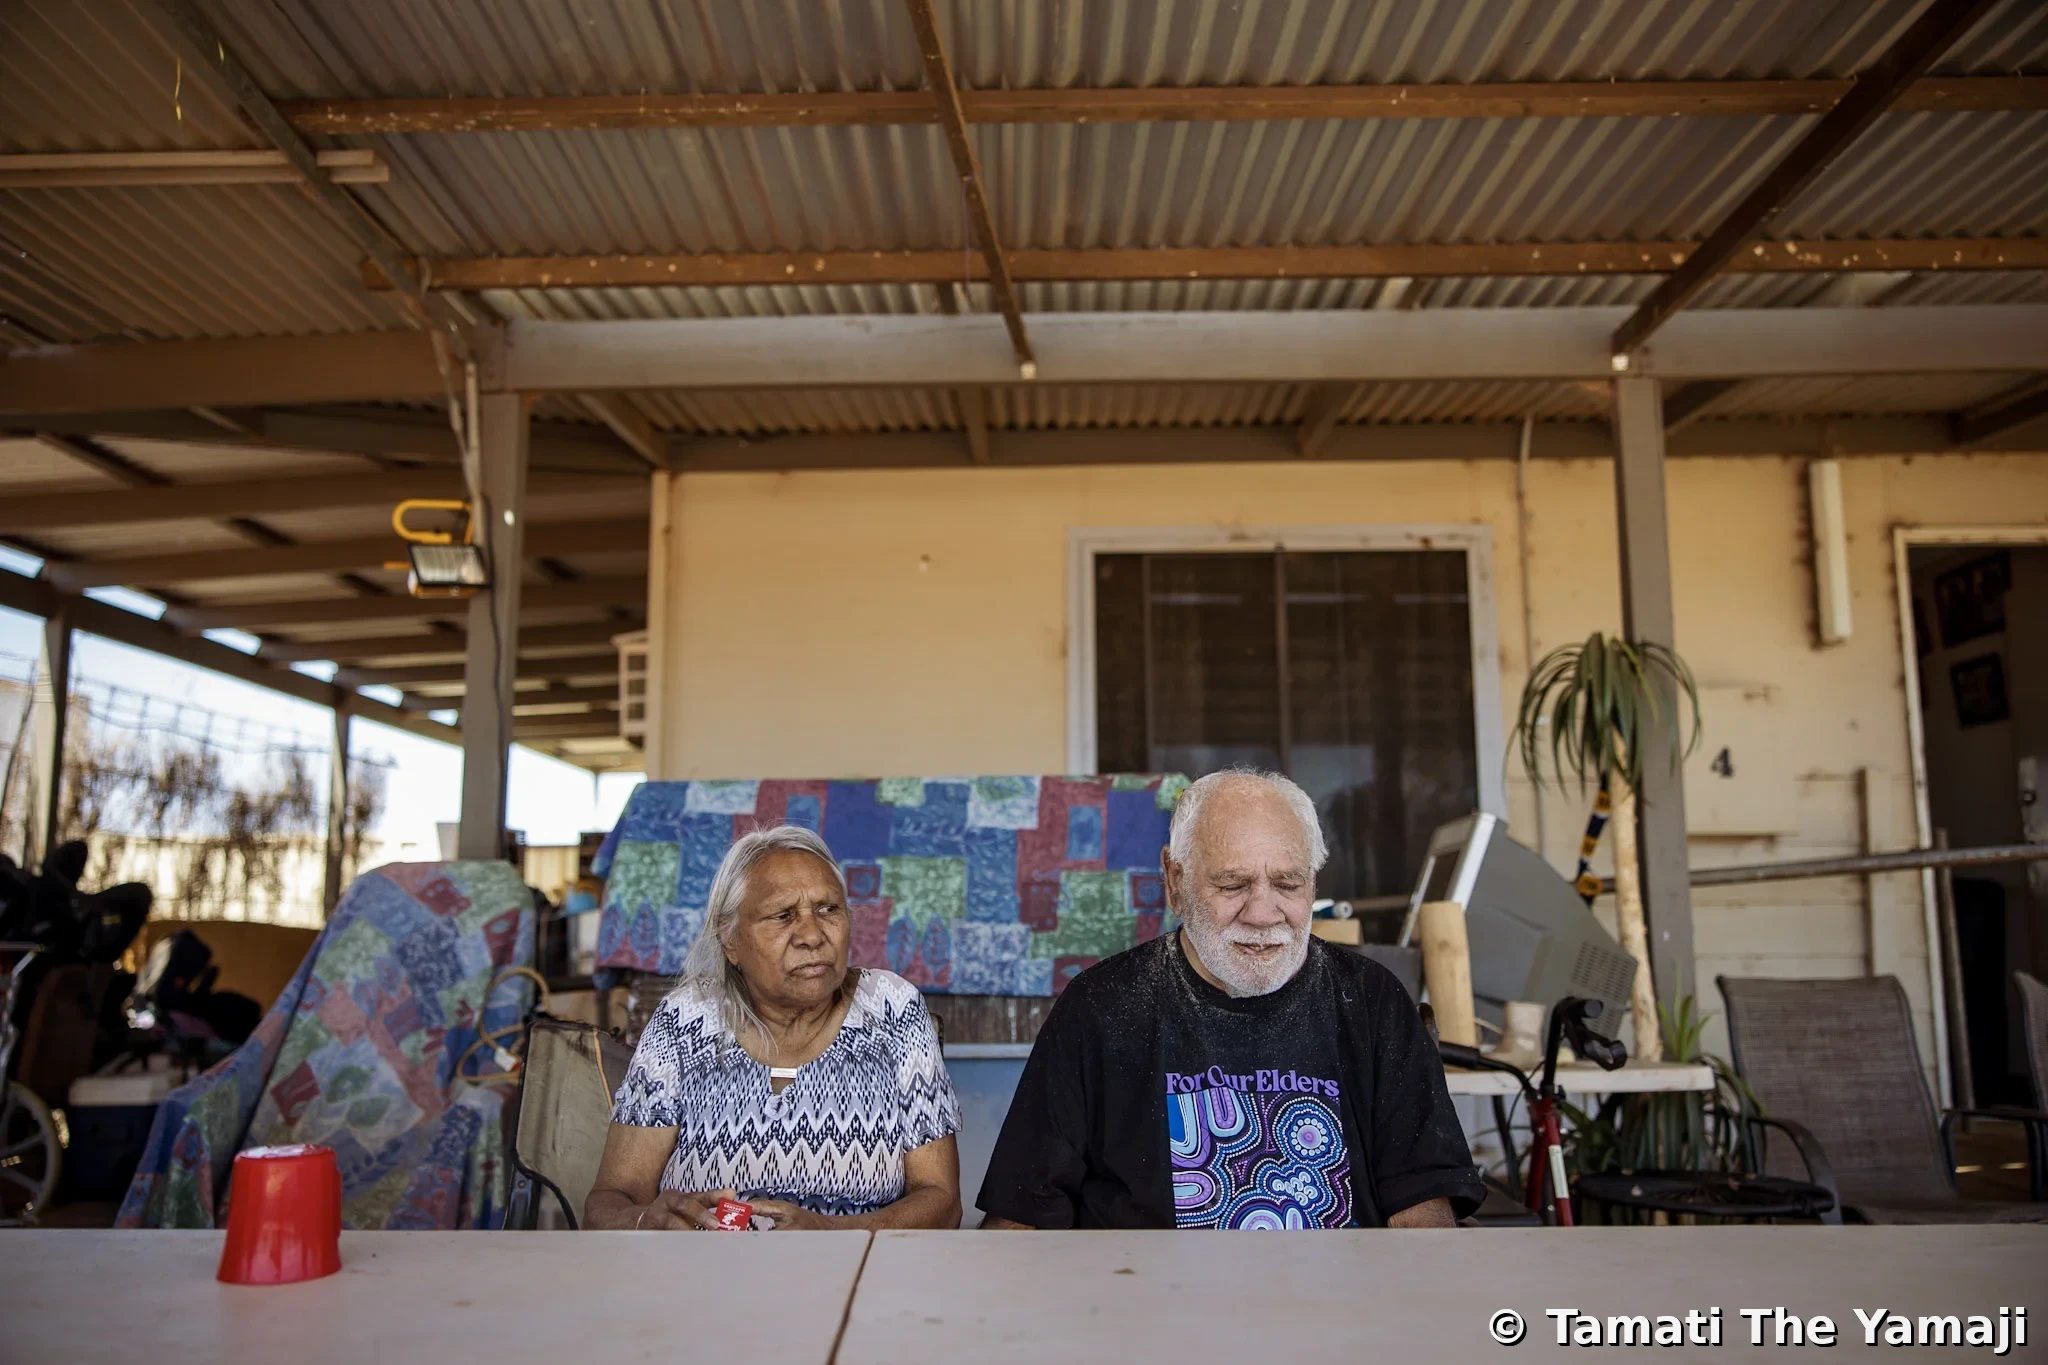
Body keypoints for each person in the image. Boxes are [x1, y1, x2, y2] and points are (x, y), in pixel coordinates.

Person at [978, 768, 1483, 1229]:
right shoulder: (1100, 1008)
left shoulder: (1372, 1002)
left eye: (1288, 882)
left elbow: (1424, 1202)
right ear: (1174, 882)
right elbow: (1024, 1218)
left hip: (1339, 1313)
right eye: (1232, 884)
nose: (1263, 914)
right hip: (1147, 1313)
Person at [585, 825, 963, 1230]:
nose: (813, 936)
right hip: (703, 1277)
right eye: (783, 916)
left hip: (856, 1275)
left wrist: (832, 1231)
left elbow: (942, 1201)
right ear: (730, 941)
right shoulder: (685, 1020)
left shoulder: (891, 1008)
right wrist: (646, 1221)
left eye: (828, 910)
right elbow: (608, 1203)